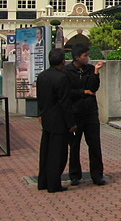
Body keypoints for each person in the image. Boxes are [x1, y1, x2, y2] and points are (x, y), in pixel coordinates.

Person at [64, 44, 106, 186]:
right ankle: (75, 174)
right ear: (77, 57)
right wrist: (83, 92)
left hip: (90, 111)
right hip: (75, 112)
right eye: (85, 56)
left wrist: (96, 72)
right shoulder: (67, 71)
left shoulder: (89, 69)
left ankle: (97, 174)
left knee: (94, 144)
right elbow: (68, 91)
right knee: (74, 145)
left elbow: (94, 88)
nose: (87, 58)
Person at [37, 48, 76, 193]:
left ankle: (43, 181)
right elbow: (65, 102)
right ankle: (54, 184)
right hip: (59, 120)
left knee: (45, 152)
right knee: (57, 154)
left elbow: (40, 98)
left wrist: (40, 114)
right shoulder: (62, 78)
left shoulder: (42, 76)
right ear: (62, 61)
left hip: (46, 117)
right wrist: (71, 123)